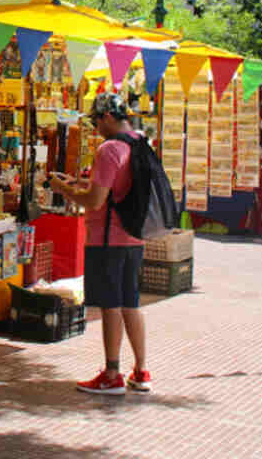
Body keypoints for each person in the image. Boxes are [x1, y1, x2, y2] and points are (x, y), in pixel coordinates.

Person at [48, 93, 151, 395]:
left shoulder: (109, 150)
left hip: (108, 238)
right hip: (134, 236)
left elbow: (95, 201)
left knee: (110, 306)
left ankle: (112, 373)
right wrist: (81, 182)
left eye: (95, 120)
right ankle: (141, 371)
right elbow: (117, 187)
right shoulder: (139, 142)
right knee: (130, 303)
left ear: (107, 117)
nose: (94, 127)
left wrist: (63, 189)